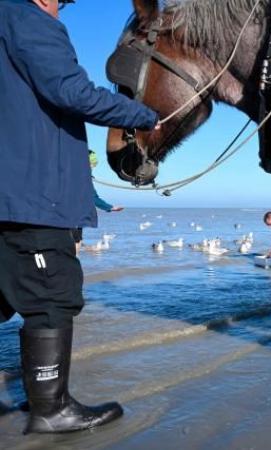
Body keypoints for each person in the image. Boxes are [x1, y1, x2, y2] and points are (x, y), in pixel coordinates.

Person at [0, 0, 159, 434]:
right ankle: (51, 410)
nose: (60, 8)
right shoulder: (28, 19)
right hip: (34, 195)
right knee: (51, 297)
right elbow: (71, 91)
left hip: (10, 192)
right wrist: (144, 115)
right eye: (61, 2)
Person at [73, 151, 125, 253]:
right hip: (73, 217)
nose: (93, 168)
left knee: (74, 241)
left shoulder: (70, 174)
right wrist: (110, 207)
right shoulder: (82, 178)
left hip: (63, 217)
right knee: (75, 242)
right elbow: (92, 197)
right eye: (92, 165)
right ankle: (72, 265)